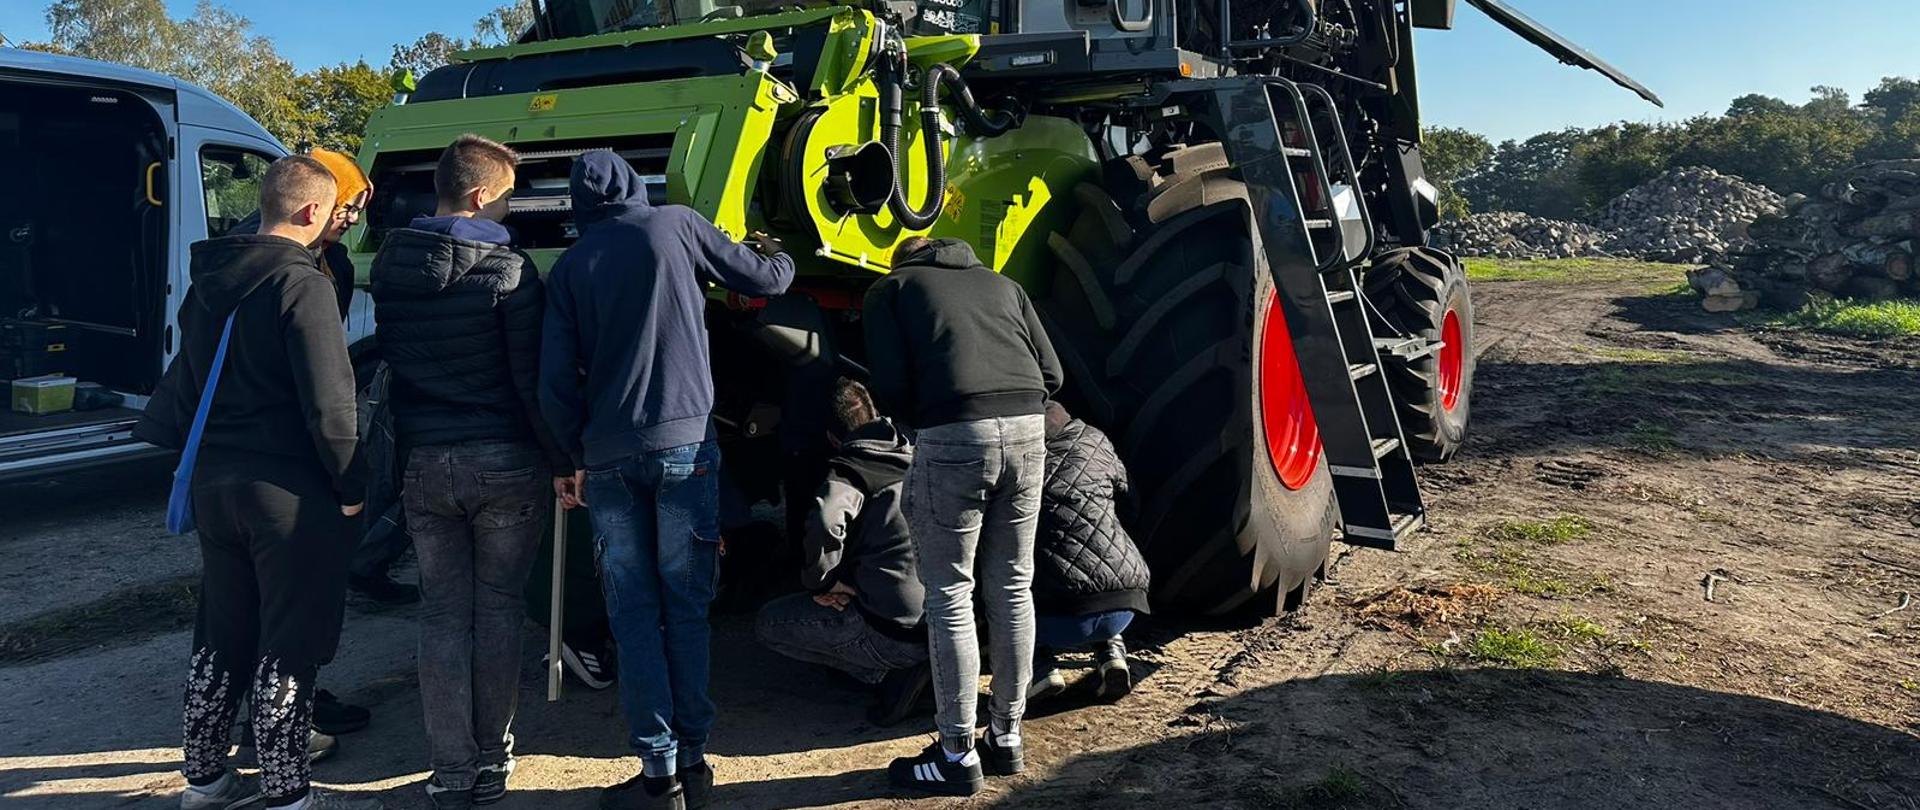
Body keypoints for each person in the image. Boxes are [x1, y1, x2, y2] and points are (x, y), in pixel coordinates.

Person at [538, 150, 793, 810]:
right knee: (686, 608)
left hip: (608, 459)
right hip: (686, 446)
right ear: (635, 184)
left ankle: (659, 775)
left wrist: (568, 459)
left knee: (633, 615)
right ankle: (696, 763)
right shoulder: (676, 224)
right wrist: (778, 251)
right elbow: (763, 278)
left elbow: (555, 381)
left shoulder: (569, 268)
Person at [135, 155, 377, 810]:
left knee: (222, 632)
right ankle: (290, 795)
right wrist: (352, 485)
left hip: (215, 481)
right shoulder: (302, 284)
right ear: (310, 210)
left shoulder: (209, 279)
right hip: (288, 492)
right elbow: (331, 406)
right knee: (290, 644)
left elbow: (187, 381)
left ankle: (204, 780)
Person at [369, 134, 572, 809]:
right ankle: (491, 760)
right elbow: (530, 381)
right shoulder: (510, 271)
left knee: (441, 613)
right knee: (499, 608)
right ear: (482, 196)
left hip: (425, 463)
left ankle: (450, 770)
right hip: (503, 461)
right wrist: (561, 459)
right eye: (508, 197)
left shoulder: (391, 263)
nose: (511, 209)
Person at [862, 236, 1063, 796]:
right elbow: (1052, 374)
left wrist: (928, 423)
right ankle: (1008, 736)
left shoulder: (891, 289)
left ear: (904, 260)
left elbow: (889, 384)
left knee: (950, 593)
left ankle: (956, 754)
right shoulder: (1004, 286)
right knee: (1013, 586)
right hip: (1028, 432)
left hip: (953, 434)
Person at [753, 378, 931, 727]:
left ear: (832, 438)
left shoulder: (850, 473)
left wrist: (823, 582)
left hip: (894, 630)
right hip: (945, 617)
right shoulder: (918, 448)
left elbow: (826, 520)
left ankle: (884, 672)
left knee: (769, 624)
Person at [1027, 400, 1149, 703]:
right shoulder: (1094, 438)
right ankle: (1112, 652)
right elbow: (1131, 505)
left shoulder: (1019, 452)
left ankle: (1040, 668)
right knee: (1095, 563)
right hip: (1126, 603)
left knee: (1009, 583)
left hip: (1054, 619)